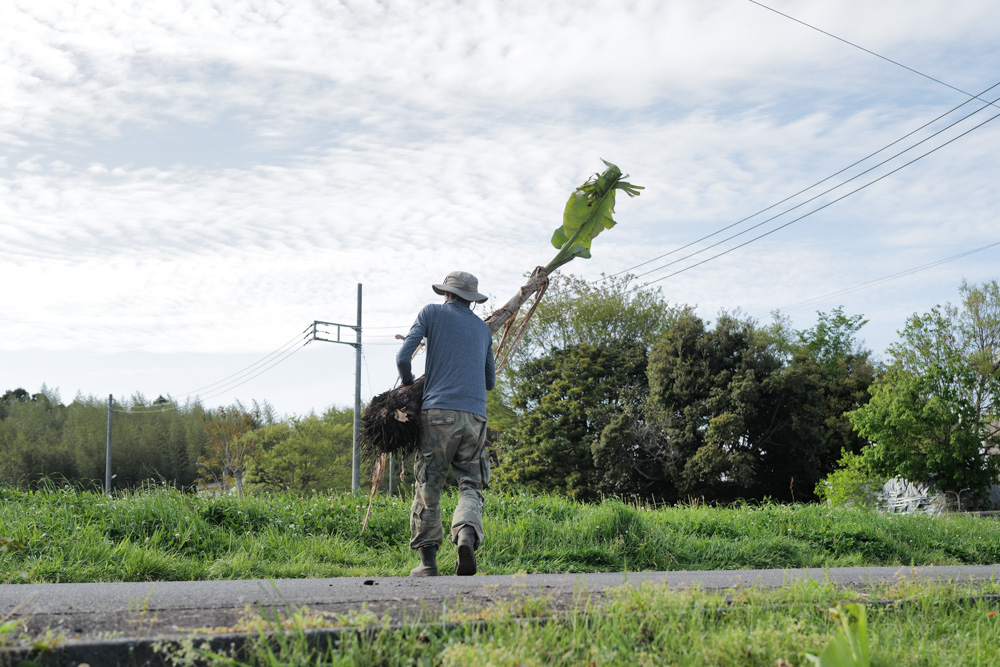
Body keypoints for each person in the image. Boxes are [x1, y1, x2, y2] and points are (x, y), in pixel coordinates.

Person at [396, 271, 496, 576]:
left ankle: (427, 564)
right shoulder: (483, 329)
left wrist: (410, 385)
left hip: (438, 414)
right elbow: (489, 381)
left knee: (429, 485)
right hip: (476, 417)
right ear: (472, 301)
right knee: (471, 484)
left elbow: (403, 356)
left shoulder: (431, 313)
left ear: (446, 294)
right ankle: (465, 534)